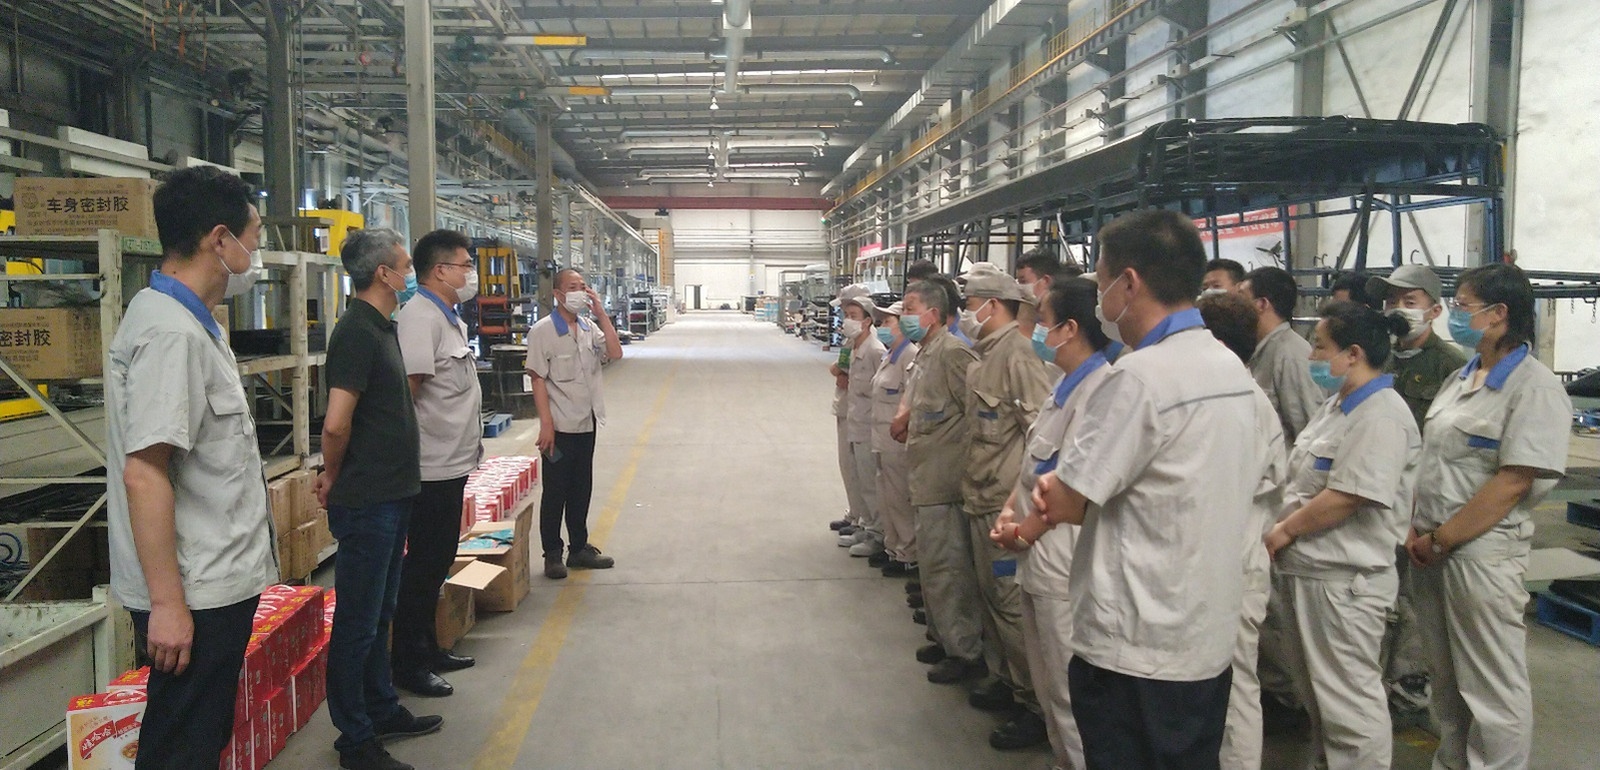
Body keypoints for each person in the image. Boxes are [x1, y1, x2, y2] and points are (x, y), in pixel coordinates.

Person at [1029, 209, 1274, 768]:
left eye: (1101, 282)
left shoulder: (1139, 379)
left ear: (1129, 283)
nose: (1100, 300)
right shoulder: (1233, 373)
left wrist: (1046, 488)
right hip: (1204, 639)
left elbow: (1069, 498)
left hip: (1134, 644)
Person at [104, 166, 277, 769]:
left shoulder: (194, 324)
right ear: (219, 239)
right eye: (254, 238)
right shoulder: (170, 334)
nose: (255, 254)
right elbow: (144, 473)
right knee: (182, 746)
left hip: (213, 579)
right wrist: (168, 605)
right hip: (194, 591)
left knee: (200, 737)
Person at [1406, 263, 1572, 770]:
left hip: (1480, 553)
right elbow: (1432, 462)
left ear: (1499, 313)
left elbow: (1514, 480)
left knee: (1491, 688)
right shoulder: (1460, 376)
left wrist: (1443, 538)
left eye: (1463, 306)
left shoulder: (1533, 387)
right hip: (1432, 547)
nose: (1455, 315)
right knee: (1447, 680)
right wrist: (1418, 528)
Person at [1263, 302, 1421, 768]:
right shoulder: (1337, 406)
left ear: (1353, 354)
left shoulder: (1381, 415)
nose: (1312, 357)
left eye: (1319, 347)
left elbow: (1349, 496)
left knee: (1349, 705)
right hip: (1311, 572)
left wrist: (1283, 531)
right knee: (1320, 699)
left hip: (1345, 582)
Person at [316, 228, 442, 770]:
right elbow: (336, 423)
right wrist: (332, 475)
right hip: (368, 501)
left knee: (380, 613)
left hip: (392, 494)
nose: (410, 274)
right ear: (383, 274)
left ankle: (381, 708)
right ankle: (355, 739)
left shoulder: (381, 326)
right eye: (405, 266)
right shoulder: (356, 333)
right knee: (358, 623)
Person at [989, 276, 1113, 770]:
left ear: (1070, 328)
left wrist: (1021, 533)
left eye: (1042, 321)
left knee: (1068, 690)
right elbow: (1035, 464)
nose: (1034, 331)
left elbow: (1075, 486)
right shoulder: (1063, 385)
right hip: (1035, 553)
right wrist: (1008, 509)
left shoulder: (1101, 394)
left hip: (1062, 560)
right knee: (1047, 685)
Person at [957, 262, 1054, 750]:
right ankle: (1006, 680)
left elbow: (1043, 439)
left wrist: (1020, 507)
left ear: (993, 305)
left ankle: (1035, 705)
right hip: (979, 495)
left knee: (1011, 606)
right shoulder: (984, 355)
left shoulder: (1018, 356)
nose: (965, 312)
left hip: (1003, 504)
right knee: (990, 599)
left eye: (970, 304)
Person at [1366, 264, 1468, 719]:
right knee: (1377, 592)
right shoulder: (1378, 357)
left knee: (1412, 599)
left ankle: (1409, 683)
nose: (1397, 309)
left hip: (1420, 502)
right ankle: (1373, 680)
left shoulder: (1450, 366)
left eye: (1409, 301)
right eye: (1391, 301)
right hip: (1374, 494)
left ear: (1435, 310)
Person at [391, 229, 482, 699]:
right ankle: (409, 662)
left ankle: (428, 647)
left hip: (453, 462)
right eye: (465, 266)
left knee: (438, 559)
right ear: (441, 270)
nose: (470, 274)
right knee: (424, 565)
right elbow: (407, 396)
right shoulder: (419, 318)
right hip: (430, 467)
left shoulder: (448, 318)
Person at [1198, 290, 1287, 770]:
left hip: (1235, 565)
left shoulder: (1243, 403)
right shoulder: (1229, 396)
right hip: (1219, 563)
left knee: (1234, 689)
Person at [899, 279, 985, 683]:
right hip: (925, 477)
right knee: (933, 567)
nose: (905, 316)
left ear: (933, 314)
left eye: (910, 308)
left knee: (950, 570)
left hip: (946, 482)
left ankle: (965, 651)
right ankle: (943, 635)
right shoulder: (926, 353)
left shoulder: (953, 354)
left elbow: (977, 417)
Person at [525, 268, 624, 579]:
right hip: (558, 428)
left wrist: (601, 315)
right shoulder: (542, 331)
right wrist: (546, 425)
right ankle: (552, 554)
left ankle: (578, 549)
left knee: (582, 489)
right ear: (558, 294)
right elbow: (537, 379)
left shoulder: (587, 327)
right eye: (573, 287)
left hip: (586, 423)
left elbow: (615, 353)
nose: (580, 291)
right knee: (556, 492)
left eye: (583, 286)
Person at [1241, 266, 1326, 445]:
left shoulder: (1290, 354)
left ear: (1262, 304)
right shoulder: (1258, 351)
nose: (1235, 307)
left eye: (1241, 299)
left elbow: (1309, 432)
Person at [869, 301, 919, 577]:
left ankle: (908, 554)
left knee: (900, 499)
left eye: (888, 322)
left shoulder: (910, 356)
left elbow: (910, 400)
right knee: (886, 497)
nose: (882, 327)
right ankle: (893, 547)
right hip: (881, 437)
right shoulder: (889, 355)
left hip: (897, 440)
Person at [838, 293, 888, 559]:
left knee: (870, 483)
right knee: (858, 478)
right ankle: (865, 526)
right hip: (855, 420)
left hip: (869, 425)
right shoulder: (853, 346)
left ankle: (878, 535)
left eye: (854, 316)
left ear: (868, 321)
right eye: (846, 315)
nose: (848, 320)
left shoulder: (876, 350)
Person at [828, 284, 873, 538]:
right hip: (846, 407)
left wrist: (845, 375)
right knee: (848, 465)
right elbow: (837, 369)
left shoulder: (873, 345)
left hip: (861, 414)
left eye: (850, 312)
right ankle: (855, 513)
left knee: (861, 471)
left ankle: (865, 520)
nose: (845, 317)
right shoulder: (851, 340)